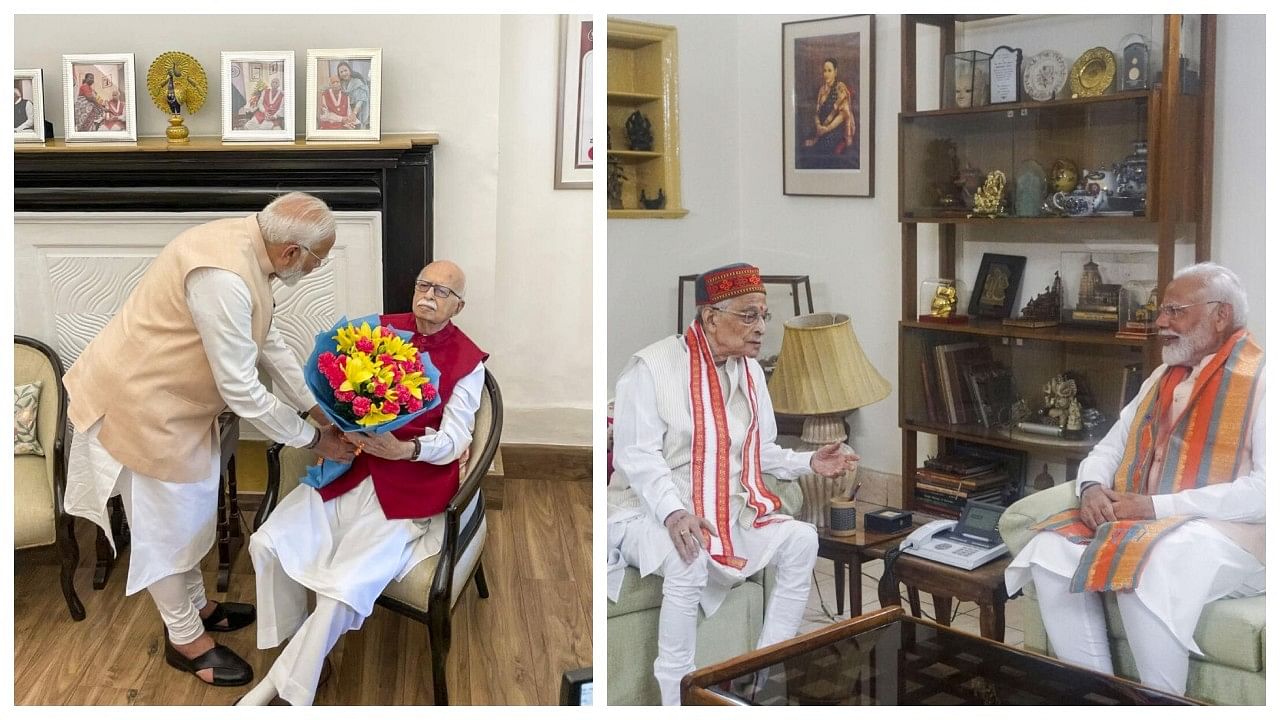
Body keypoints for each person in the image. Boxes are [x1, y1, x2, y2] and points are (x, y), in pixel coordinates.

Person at [62, 192, 356, 689]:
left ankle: (199, 605)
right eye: (315, 262)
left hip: (175, 409)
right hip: (142, 408)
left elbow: (267, 339)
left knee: (189, 518)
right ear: (290, 252)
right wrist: (312, 438)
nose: (312, 271)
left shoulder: (249, 243)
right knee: (164, 532)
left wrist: (314, 405)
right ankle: (184, 639)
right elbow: (241, 388)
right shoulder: (222, 274)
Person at [1005, 262, 1265, 697]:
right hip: (1145, 521)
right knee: (1050, 550)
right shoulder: (1162, 378)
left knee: (1150, 560)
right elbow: (1108, 447)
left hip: (1234, 536)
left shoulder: (1263, 382)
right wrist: (1091, 488)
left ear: (1220, 316)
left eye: (1175, 311)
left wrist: (1156, 508)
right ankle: (1101, 697)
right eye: (1163, 311)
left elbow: (1265, 492)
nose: (1161, 322)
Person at [606, 263, 859, 705]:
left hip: (725, 510)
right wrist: (674, 512)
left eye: (764, 316)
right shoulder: (651, 368)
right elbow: (637, 456)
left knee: (801, 539)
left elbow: (757, 452)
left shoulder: (750, 372)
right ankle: (677, 700)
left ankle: (759, 676)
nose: (761, 328)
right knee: (688, 555)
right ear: (710, 317)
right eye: (748, 316)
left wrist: (810, 461)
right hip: (646, 512)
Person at [239, 260, 487, 706]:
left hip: (409, 482)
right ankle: (302, 648)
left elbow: (454, 439)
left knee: (345, 585)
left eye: (442, 291)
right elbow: (334, 392)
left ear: (459, 306)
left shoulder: (468, 362)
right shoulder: (377, 331)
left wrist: (406, 450)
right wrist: (344, 424)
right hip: (349, 467)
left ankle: (276, 689)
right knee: (266, 544)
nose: (429, 295)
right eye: (423, 284)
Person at [803, 58, 855, 157]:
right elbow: (817, 113)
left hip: (834, 130)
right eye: (824, 71)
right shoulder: (822, 90)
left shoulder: (840, 89)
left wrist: (826, 129)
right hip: (820, 129)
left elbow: (843, 115)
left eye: (829, 71)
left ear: (835, 72)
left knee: (820, 151)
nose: (826, 74)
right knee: (805, 148)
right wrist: (818, 125)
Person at [337, 60, 369, 129]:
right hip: (346, 110)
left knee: (357, 128)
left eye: (345, 70)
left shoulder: (357, 82)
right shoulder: (342, 83)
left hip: (357, 109)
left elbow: (361, 99)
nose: (344, 73)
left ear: (350, 71)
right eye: (341, 72)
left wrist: (354, 113)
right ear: (339, 74)